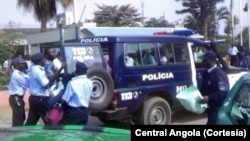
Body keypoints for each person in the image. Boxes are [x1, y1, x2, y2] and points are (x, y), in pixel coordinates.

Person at [199, 51, 229, 125]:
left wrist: (209, 97)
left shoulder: (219, 74)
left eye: (205, 60)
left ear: (212, 60)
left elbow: (223, 92)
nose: (202, 62)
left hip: (217, 108)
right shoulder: (206, 72)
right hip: (209, 107)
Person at [25, 53, 53, 125]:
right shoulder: (39, 71)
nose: (45, 61)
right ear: (42, 60)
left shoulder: (33, 67)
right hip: (40, 99)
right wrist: (54, 78)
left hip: (34, 98)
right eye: (44, 59)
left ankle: (24, 134)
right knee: (50, 119)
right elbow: (46, 85)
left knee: (31, 121)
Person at [8, 57, 29, 126]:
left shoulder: (20, 73)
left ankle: (17, 131)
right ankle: (16, 133)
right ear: (17, 65)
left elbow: (27, 77)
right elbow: (27, 84)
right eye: (22, 64)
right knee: (18, 118)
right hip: (16, 97)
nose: (24, 65)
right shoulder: (17, 74)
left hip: (18, 98)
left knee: (21, 117)